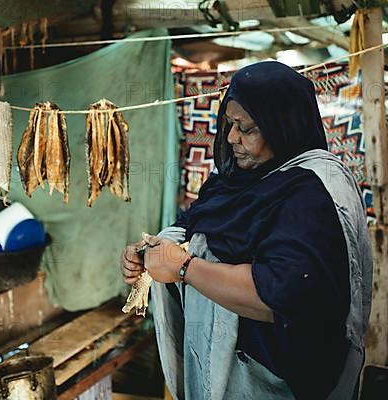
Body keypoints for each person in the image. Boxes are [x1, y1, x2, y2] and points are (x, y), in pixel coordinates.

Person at [122, 61, 372, 400]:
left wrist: (183, 269)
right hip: (224, 377)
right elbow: (195, 225)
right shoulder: (237, 179)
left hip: (276, 383)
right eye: (229, 123)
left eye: (247, 128)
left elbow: (281, 295)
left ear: (284, 127)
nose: (231, 137)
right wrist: (151, 249)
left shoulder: (312, 193)